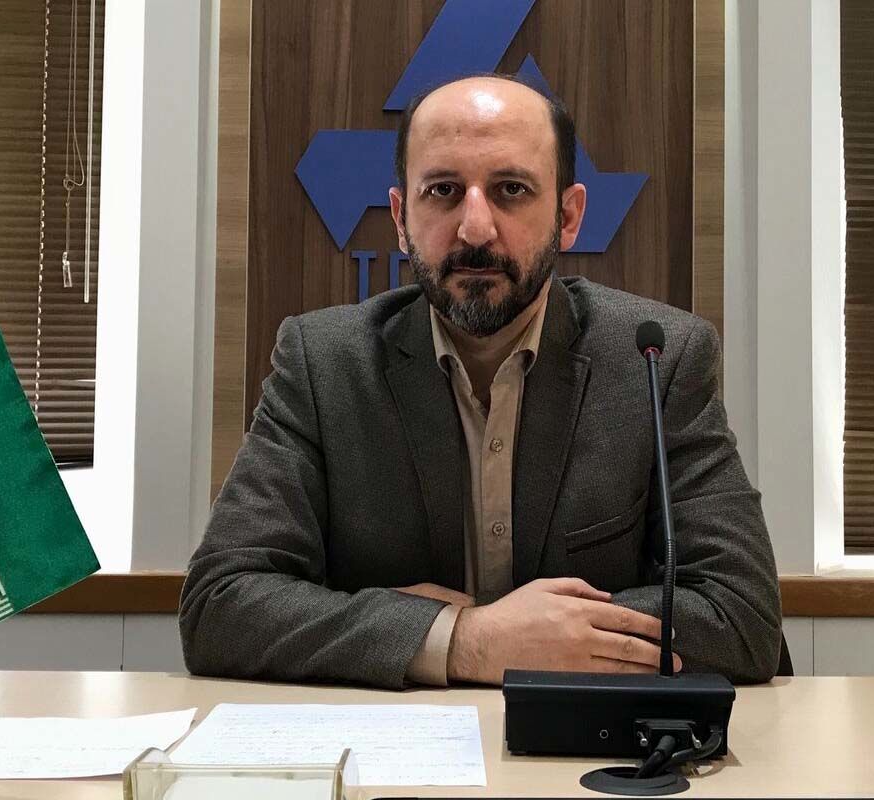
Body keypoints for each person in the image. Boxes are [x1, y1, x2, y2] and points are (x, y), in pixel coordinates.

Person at [179, 74, 782, 688]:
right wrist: (469, 638)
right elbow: (219, 606)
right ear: (400, 218)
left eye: (511, 190)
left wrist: (489, 632)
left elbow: (743, 616)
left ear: (568, 216)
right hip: (396, 742)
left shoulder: (657, 359)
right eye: (442, 191)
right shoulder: (323, 363)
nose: (474, 228)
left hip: (578, 742)